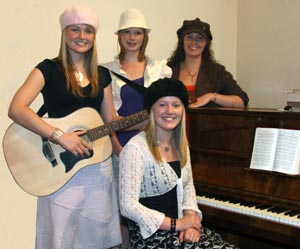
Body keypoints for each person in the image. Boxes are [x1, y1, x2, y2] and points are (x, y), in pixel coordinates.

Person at [8, 6, 122, 249]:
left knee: (96, 236)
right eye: (75, 30)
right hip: (60, 170)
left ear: (94, 36)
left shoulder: (102, 74)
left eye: (88, 31)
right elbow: (16, 108)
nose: (82, 36)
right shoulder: (48, 69)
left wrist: (148, 116)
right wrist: (60, 136)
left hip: (96, 168)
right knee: (61, 238)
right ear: (65, 33)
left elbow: (110, 118)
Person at [119, 78, 238, 248]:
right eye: (162, 105)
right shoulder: (135, 148)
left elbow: (188, 186)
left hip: (180, 230)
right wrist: (178, 224)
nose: (169, 111)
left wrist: (191, 221)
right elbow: (127, 206)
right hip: (151, 237)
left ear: (183, 109)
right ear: (151, 109)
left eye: (176, 105)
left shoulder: (181, 145)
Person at [103, 8, 171, 246]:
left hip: (153, 149)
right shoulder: (105, 71)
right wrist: (116, 147)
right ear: (119, 36)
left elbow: (166, 113)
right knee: (123, 213)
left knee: (151, 208)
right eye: (127, 33)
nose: (132, 38)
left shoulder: (161, 69)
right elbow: (106, 119)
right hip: (120, 148)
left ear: (145, 36)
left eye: (138, 33)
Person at [167, 18, 249, 108]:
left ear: (206, 43)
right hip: (172, 121)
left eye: (200, 38)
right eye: (189, 37)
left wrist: (211, 96)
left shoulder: (217, 72)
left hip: (207, 122)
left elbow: (241, 101)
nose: (194, 42)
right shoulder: (167, 70)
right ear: (182, 41)